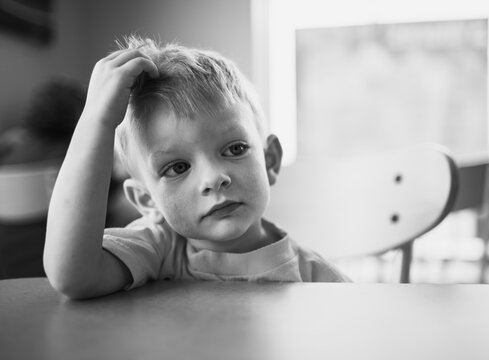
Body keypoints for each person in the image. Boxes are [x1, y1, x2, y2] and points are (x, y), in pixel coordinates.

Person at [43, 35, 350, 300]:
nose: (215, 178)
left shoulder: (317, 279)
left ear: (269, 160)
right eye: (177, 168)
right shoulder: (160, 249)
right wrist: (96, 120)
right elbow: (72, 276)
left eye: (235, 149)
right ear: (147, 201)